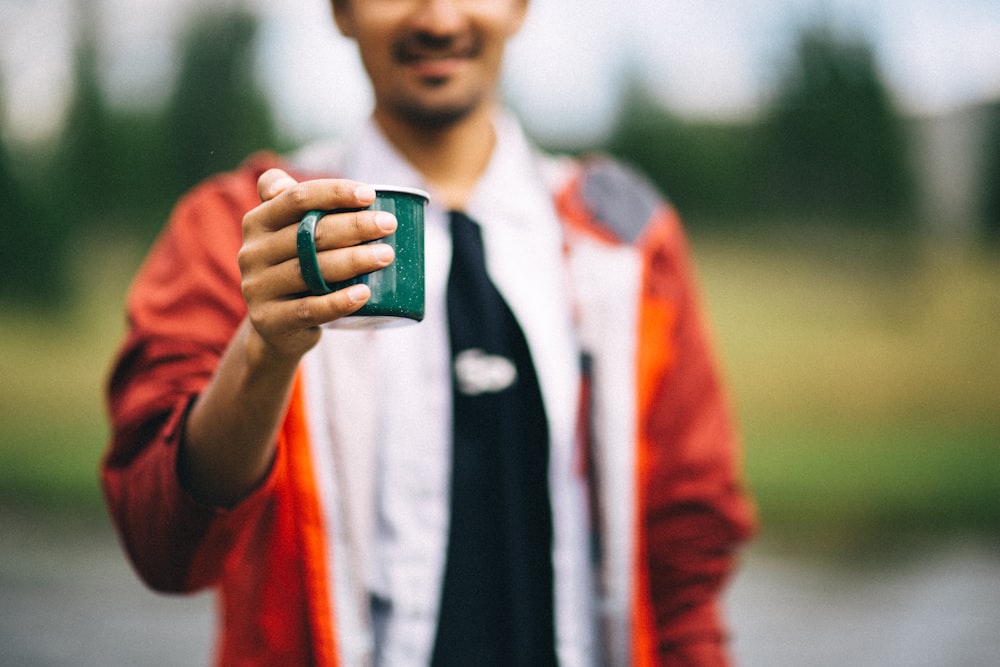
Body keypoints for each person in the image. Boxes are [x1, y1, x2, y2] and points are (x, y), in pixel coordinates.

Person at [101, 0, 755, 665]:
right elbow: (164, 544)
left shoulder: (626, 241)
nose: (439, 20)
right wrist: (265, 350)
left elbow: (685, 562)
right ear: (340, 9)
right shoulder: (244, 227)